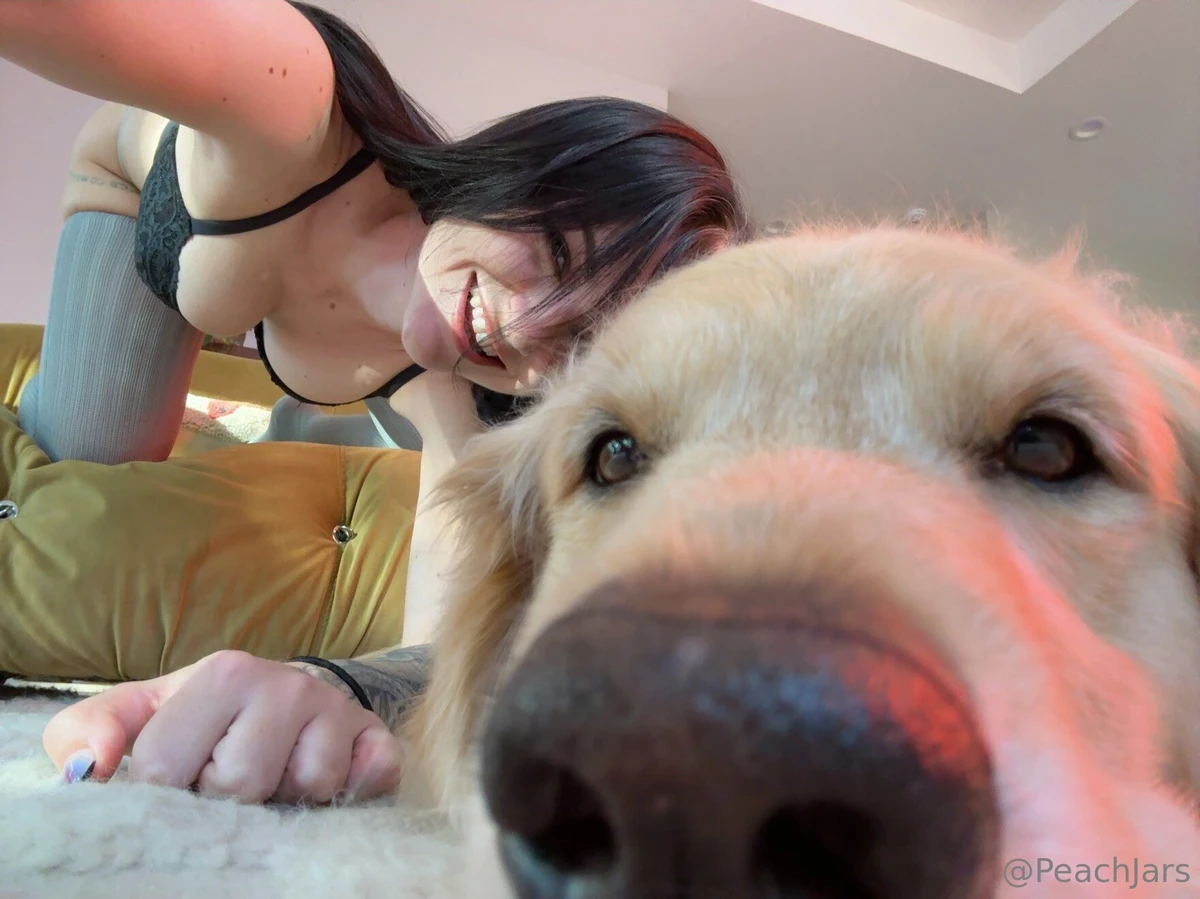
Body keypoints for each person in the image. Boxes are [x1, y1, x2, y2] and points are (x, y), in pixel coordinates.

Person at [0, 0, 748, 803]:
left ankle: (253, 429)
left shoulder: (460, 388)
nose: (524, 332)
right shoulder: (294, 98)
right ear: (529, 166)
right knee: (78, 472)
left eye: (577, 345)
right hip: (132, 199)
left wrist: (334, 686)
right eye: (559, 254)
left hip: (304, 343)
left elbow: (450, 641)